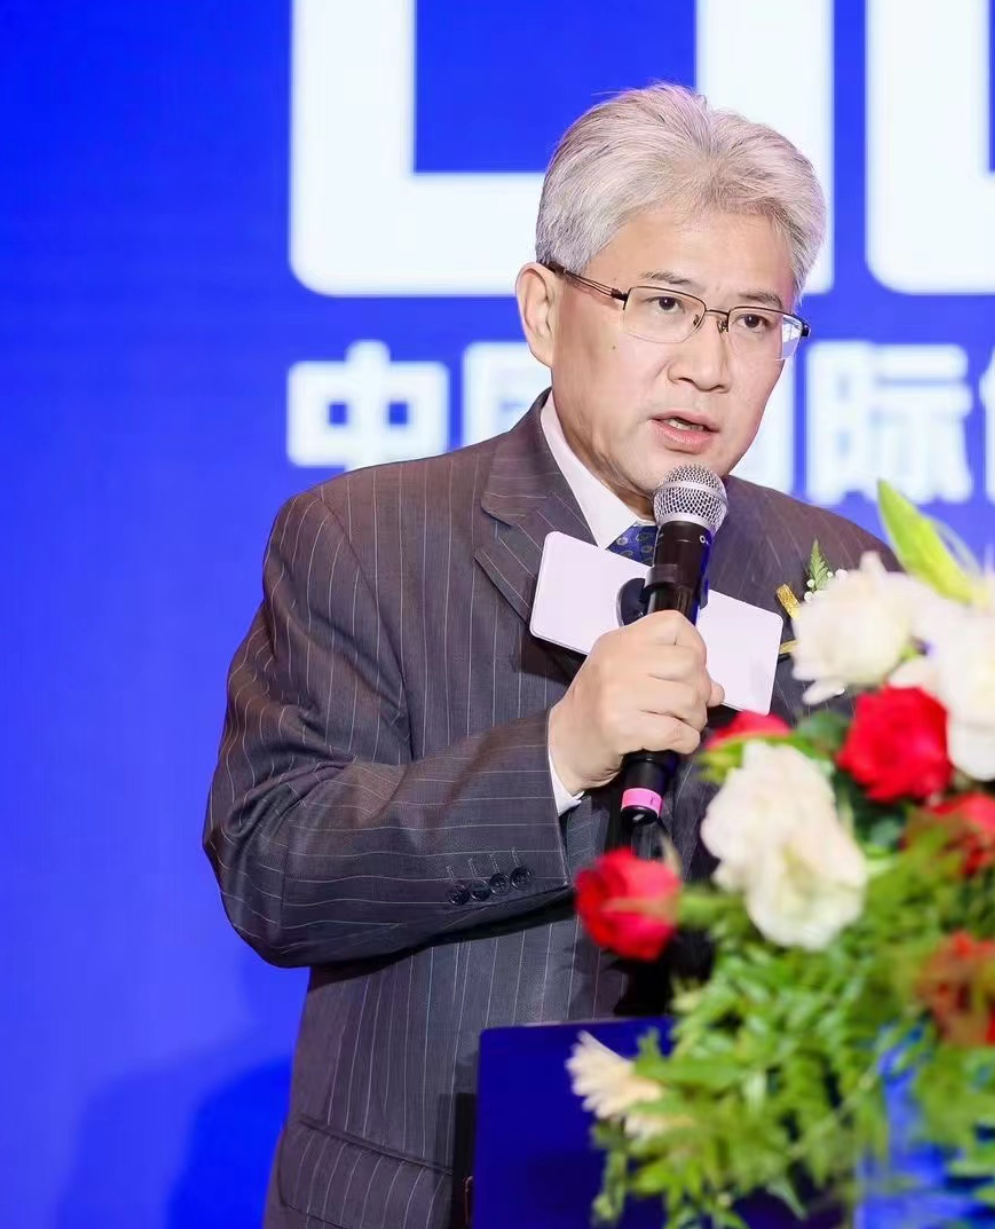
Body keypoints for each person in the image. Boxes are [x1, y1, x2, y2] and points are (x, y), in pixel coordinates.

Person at [204, 83, 892, 1229]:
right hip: (427, 1195)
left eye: (752, 321)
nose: (708, 365)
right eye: (664, 304)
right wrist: (557, 755)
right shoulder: (367, 539)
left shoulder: (836, 574)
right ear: (542, 309)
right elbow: (275, 869)